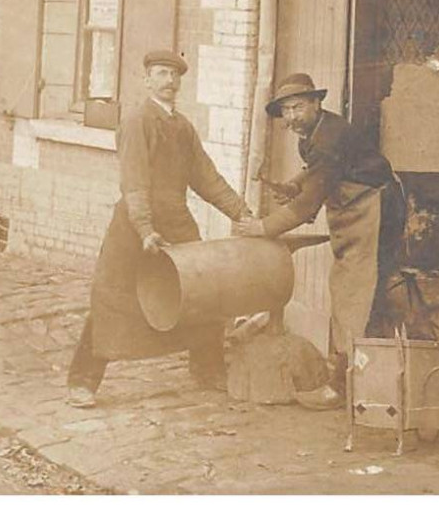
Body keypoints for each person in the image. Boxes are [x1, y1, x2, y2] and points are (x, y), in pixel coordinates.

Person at [67, 49, 252, 408]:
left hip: (177, 221)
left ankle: (208, 368)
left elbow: (207, 178)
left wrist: (243, 213)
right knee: (112, 298)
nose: (169, 81)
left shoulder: (182, 127)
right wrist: (144, 228)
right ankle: (83, 382)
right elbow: (134, 181)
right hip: (135, 226)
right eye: (161, 74)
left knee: (202, 291)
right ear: (146, 79)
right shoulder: (137, 121)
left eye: (174, 75)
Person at [237, 72, 405, 410]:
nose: (291, 117)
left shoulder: (329, 136)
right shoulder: (313, 133)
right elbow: (316, 173)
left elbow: (307, 204)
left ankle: (354, 383)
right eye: (286, 111)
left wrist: (264, 228)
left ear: (316, 103)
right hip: (358, 207)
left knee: (357, 290)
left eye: (298, 107)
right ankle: (351, 377)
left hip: (378, 209)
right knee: (350, 289)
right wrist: (294, 183)